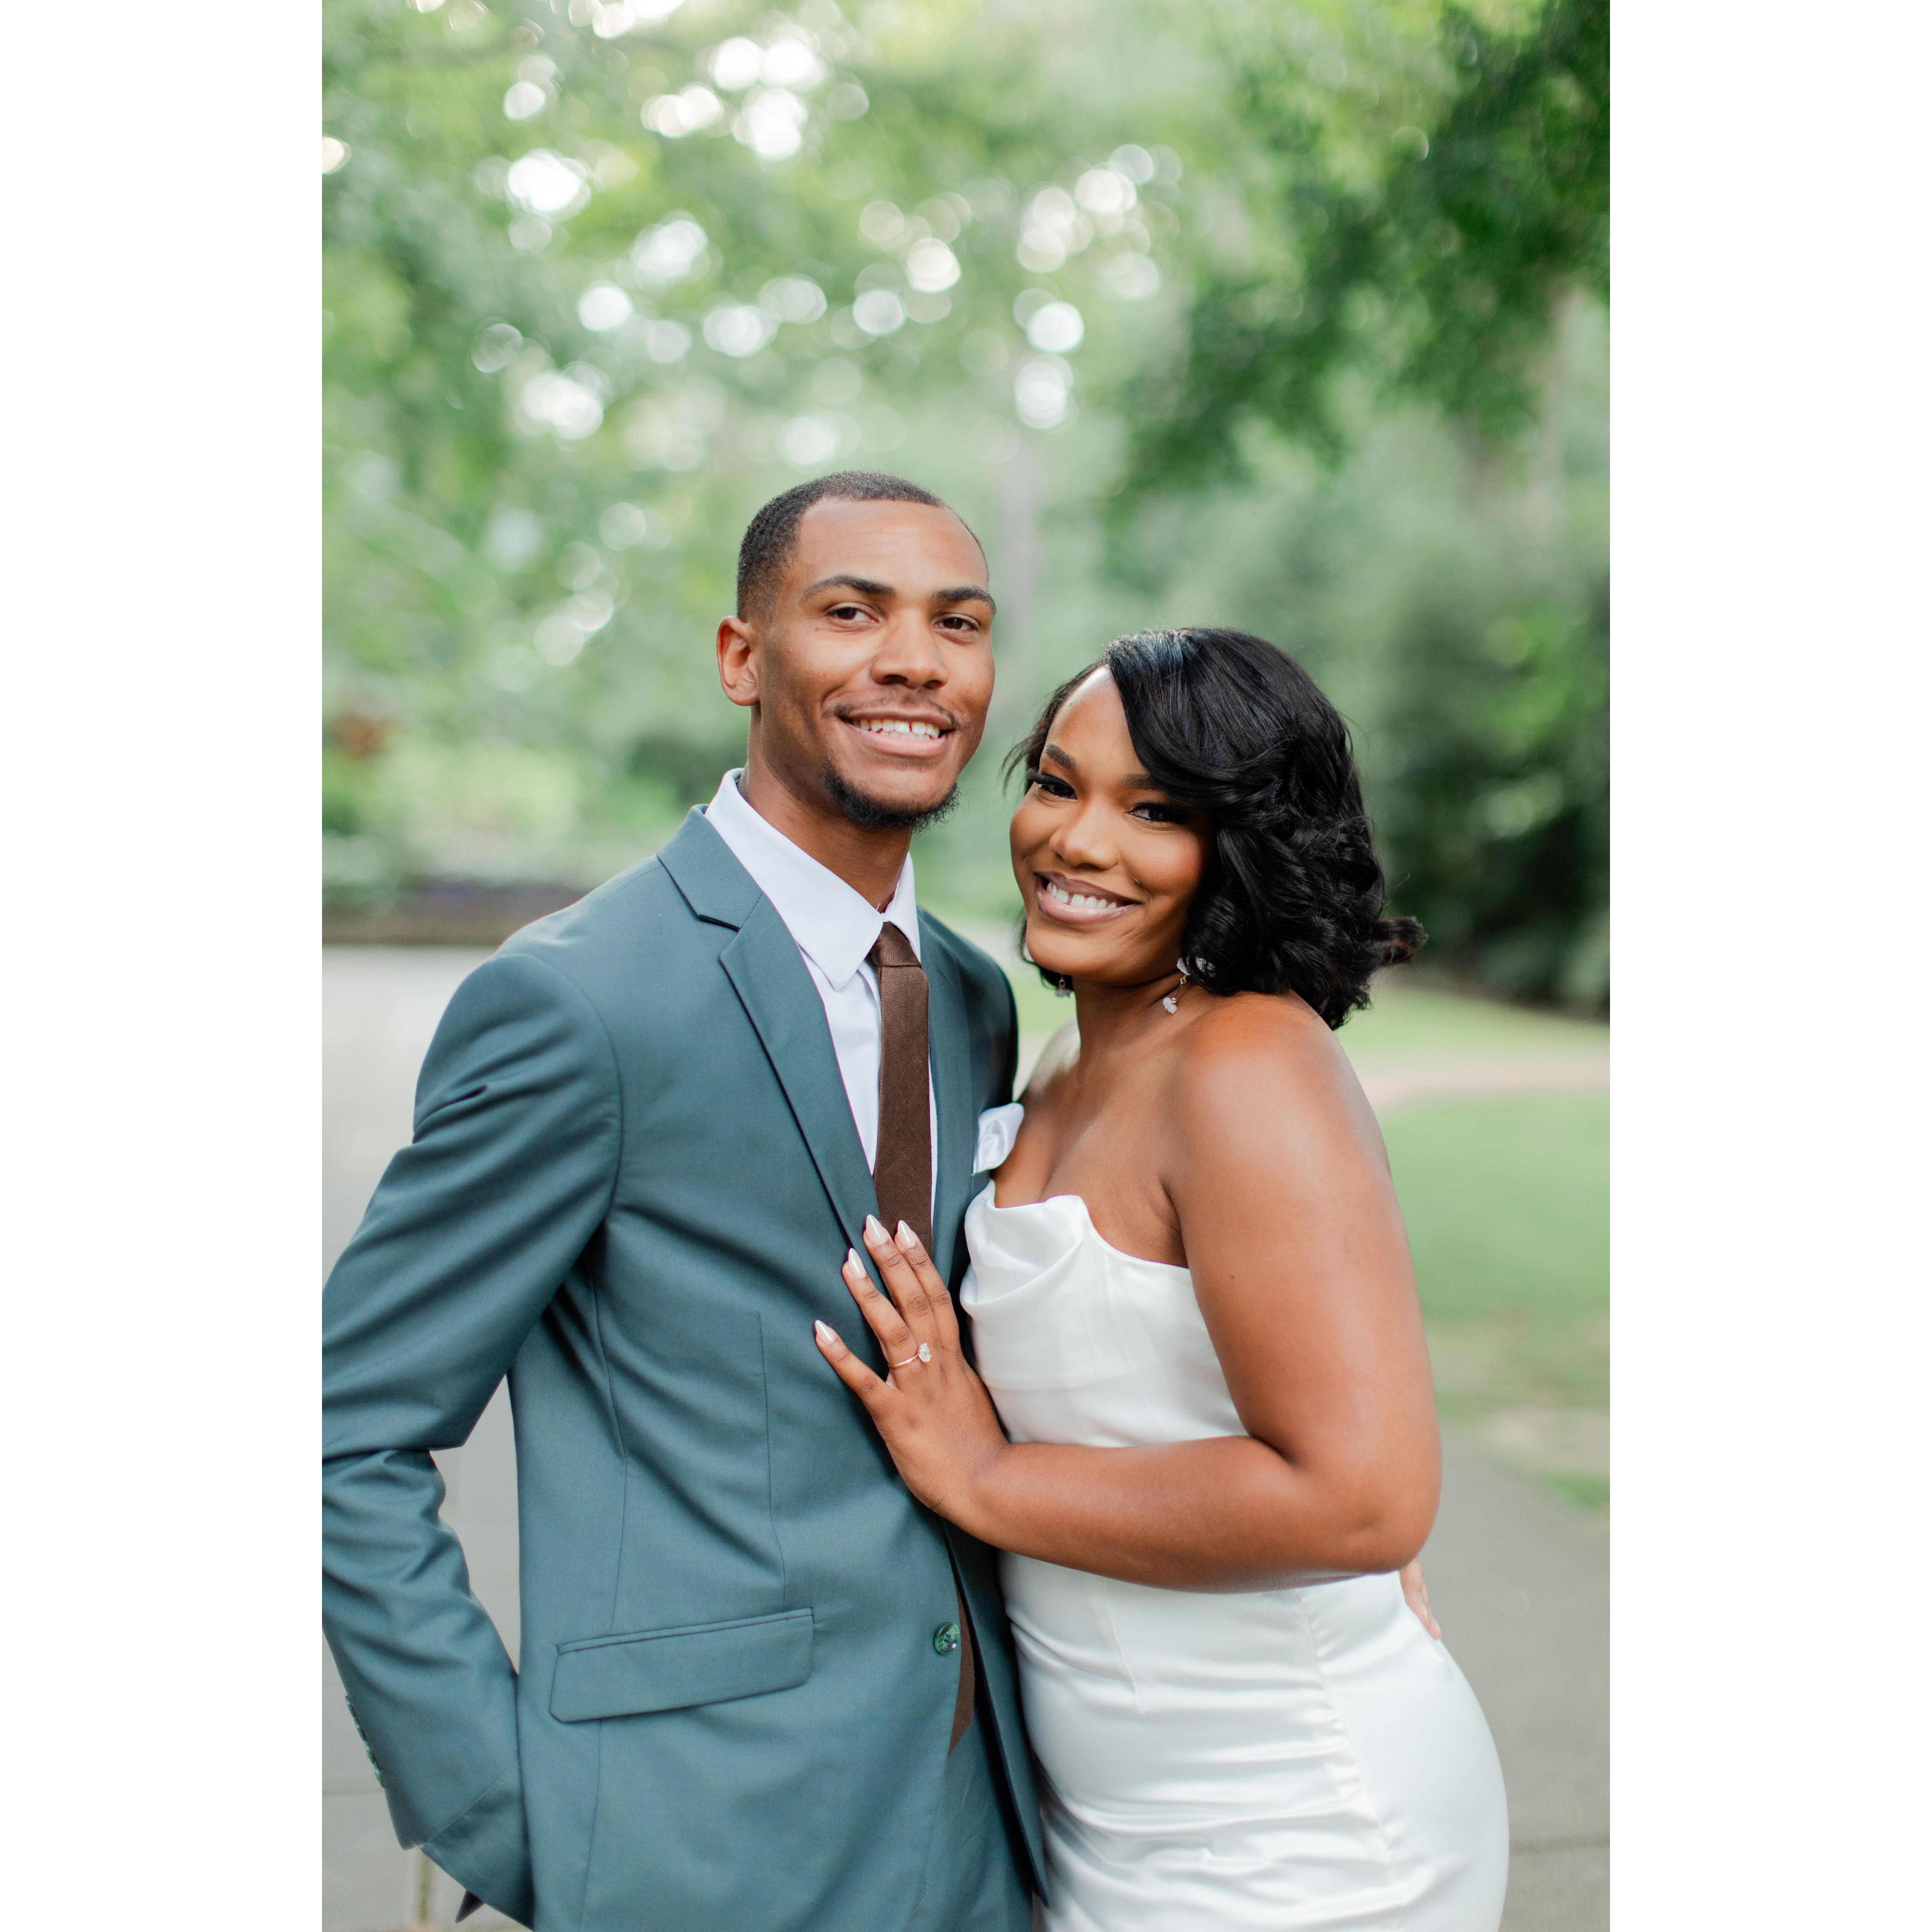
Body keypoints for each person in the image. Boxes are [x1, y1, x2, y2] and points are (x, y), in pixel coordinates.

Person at [322, 472, 1045, 1931]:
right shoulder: (578, 1002)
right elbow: (345, 1431)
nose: (916, 660)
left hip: (979, 1827)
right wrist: (514, 1820)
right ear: (741, 657)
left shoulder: (974, 997)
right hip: (688, 1845)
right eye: (854, 613)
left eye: (958, 624)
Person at [815, 628, 1511, 1931]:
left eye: (1156, 812)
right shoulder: (1062, 1061)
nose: (1078, 842)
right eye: (1056, 784)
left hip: (1297, 1828)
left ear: (1246, 844)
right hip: (1105, 1824)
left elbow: (1362, 1500)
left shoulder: (1247, 1067)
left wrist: (986, 1478)